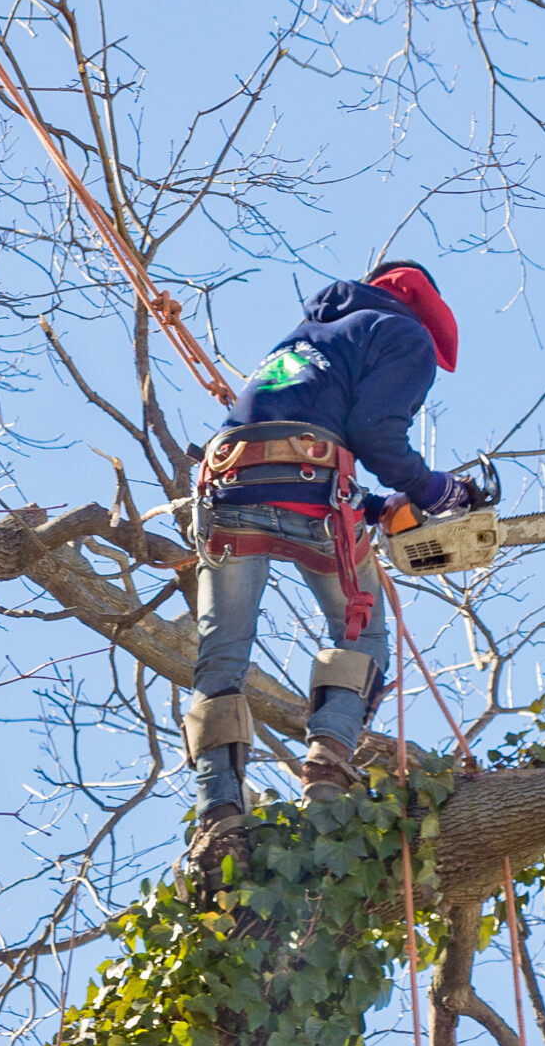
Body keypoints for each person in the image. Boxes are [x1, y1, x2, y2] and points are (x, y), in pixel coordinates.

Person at [183, 260, 483, 824]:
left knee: (219, 661)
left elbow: (308, 439)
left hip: (229, 494)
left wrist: (373, 508)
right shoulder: (404, 334)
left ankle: (217, 813)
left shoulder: (304, 337)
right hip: (308, 498)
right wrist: (436, 490)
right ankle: (327, 764)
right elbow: (376, 434)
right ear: (426, 310)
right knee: (364, 632)